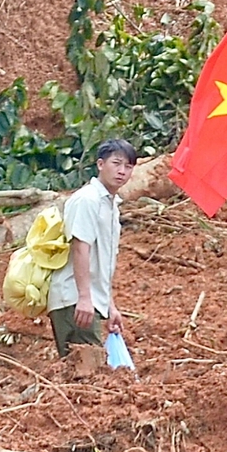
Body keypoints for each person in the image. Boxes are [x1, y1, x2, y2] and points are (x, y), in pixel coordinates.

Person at [46, 139, 138, 369]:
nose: (121, 171)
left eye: (128, 166)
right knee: (88, 374)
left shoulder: (111, 205)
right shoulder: (87, 200)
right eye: (116, 163)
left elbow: (102, 261)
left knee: (87, 374)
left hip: (89, 300)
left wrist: (109, 305)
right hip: (74, 299)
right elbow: (80, 248)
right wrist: (85, 298)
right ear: (100, 164)